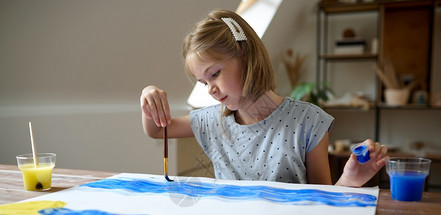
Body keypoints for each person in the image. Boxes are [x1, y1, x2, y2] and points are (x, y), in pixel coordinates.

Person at [140, 9, 388, 187]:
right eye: (203, 82)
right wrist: (147, 96)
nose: (211, 90)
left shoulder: (308, 121)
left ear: (246, 55)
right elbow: (155, 130)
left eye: (214, 74)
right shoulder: (211, 120)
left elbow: (322, 200)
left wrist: (348, 181)